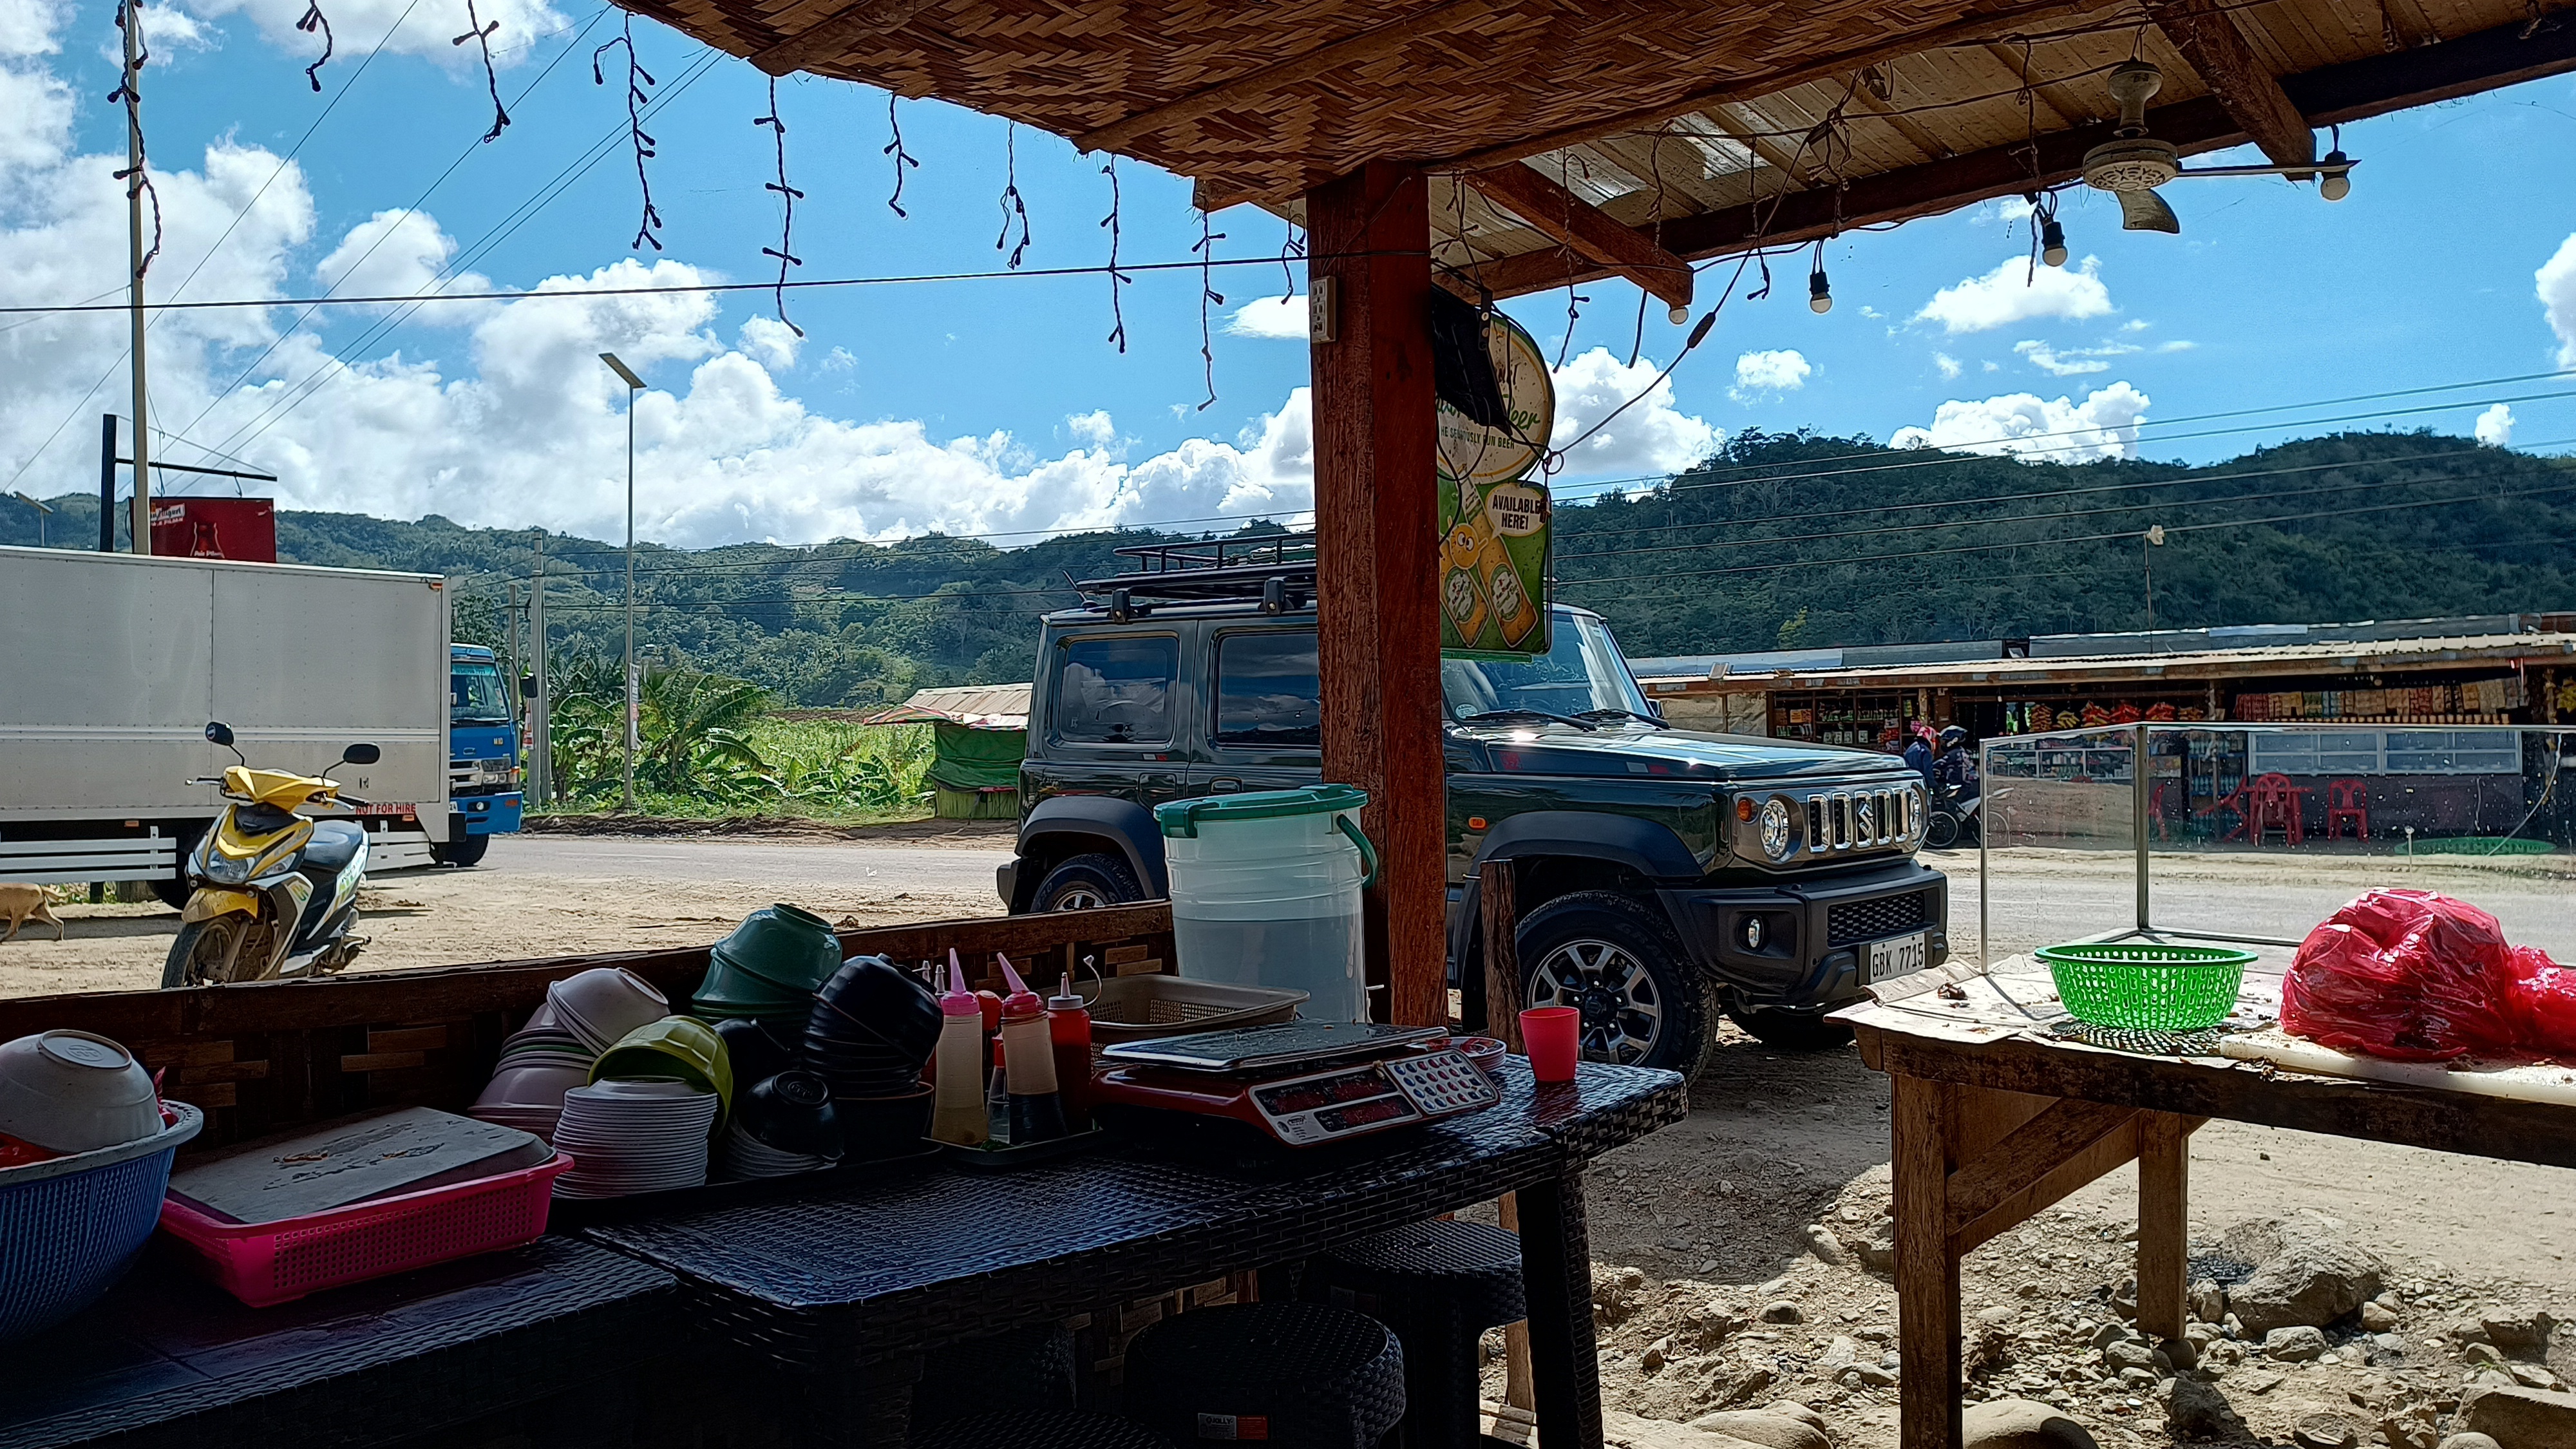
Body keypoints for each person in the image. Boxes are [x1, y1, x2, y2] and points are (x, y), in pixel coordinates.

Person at [1934, 724, 1979, 803]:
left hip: (1962, 787)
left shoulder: (1954, 753)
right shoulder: (1960, 751)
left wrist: (1928, 769)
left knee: (1949, 805)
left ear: (1954, 740)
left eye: (1945, 741)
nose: (1943, 743)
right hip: (1970, 786)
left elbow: (1940, 763)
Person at [1902, 726, 1935, 791]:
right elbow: (1928, 772)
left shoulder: (1911, 748)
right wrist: (1934, 786)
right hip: (1921, 785)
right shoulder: (1925, 751)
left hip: (1908, 784)